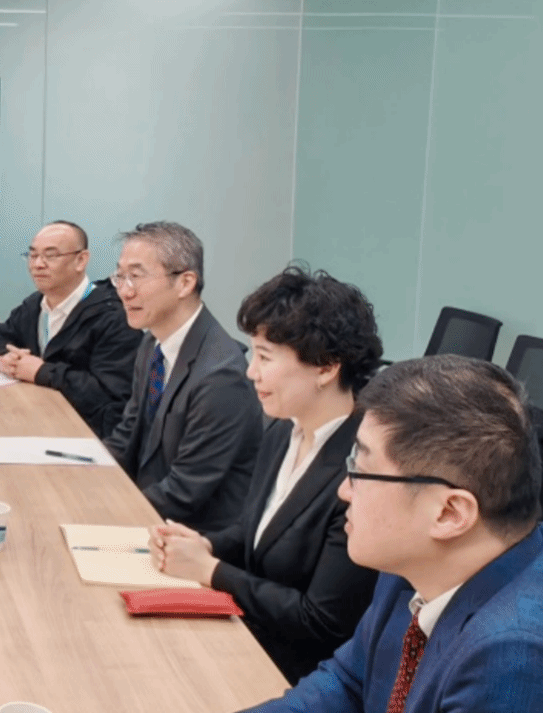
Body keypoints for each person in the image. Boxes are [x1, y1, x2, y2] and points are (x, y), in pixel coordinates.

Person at [137, 355, 543, 713]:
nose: (343, 490)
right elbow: (353, 681)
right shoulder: (424, 563)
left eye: (360, 469)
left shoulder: (525, 661)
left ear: (449, 512)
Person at [149, 266, 383, 682]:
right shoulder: (280, 430)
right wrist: (205, 543)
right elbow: (256, 531)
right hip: (248, 635)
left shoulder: (360, 472)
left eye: (265, 357)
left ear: (325, 368)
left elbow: (321, 621)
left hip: (293, 675)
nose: (251, 371)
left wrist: (210, 570)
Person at [102, 221, 261, 530]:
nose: (124, 291)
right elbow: (128, 435)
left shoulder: (221, 376)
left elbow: (185, 491)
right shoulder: (153, 343)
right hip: (150, 509)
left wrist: (103, 509)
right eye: (120, 276)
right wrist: (85, 476)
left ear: (185, 283)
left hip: (192, 534)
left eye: (136, 276)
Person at [0, 220, 142, 437]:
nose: (38, 264)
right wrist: (5, 358)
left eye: (51, 255)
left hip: (87, 436)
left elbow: (109, 397)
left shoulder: (115, 317)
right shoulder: (36, 304)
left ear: (81, 260)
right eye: (33, 255)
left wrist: (41, 372)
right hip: (38, 418)